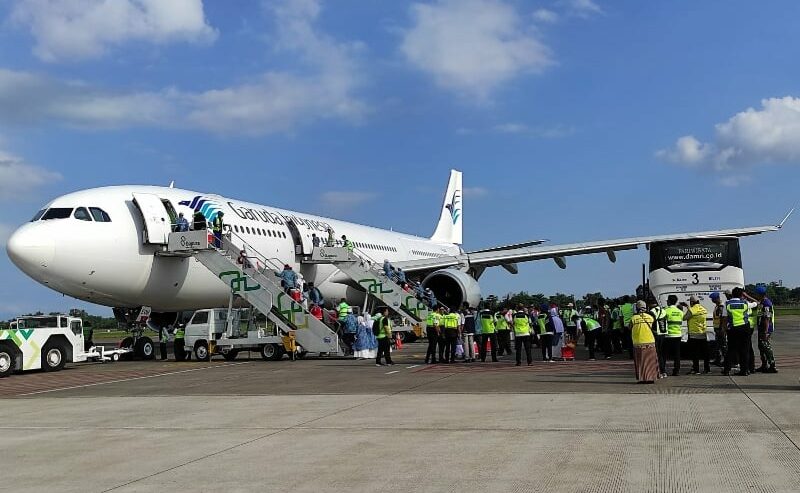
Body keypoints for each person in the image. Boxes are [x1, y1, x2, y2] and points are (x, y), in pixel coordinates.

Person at [723, 287, 758, 376]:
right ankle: (744, 370)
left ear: (732, 294)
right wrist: (747, 296)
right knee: (745, 350)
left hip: (733, 328)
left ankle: (726, 370)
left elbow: (724, 319)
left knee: (731, 349)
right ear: (741, 295)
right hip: (744, 328)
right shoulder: (745, 303)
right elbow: (757, 303)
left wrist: (725, 329)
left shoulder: (727, 304)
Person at [631, 300, 658, 384]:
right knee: (650, 361)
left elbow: (629, 327)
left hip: (638, 342)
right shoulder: (650, 317)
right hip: (650, 341)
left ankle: (642, 378)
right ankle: (651, 378)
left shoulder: (634, 318)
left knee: (641, 362)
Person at [753, 285, 778, 373]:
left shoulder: (767, 304)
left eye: (756, 294)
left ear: (760, 294)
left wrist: (766, 332)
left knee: (766, 346)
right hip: (762, 327)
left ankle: (772, 365)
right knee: (761, 347)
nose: (755, 295)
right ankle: (764, 365)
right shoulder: (762, 302)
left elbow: (767, 318)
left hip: (765, 328)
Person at [683, 296, 710, 374]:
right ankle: (707, 369)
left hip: (694, 334)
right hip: (703, 333)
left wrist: (685, 308)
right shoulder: (703, 309)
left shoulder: (692, 310)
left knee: (695, 353)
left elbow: (684, 317)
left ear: (691, 302)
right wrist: (688, 307)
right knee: (705, 353)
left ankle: (696, 369)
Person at [663, 295, 684, 376]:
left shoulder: (665, 310)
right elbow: (683, 318)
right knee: (677, 354)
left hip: (667, 335)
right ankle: (676, 370)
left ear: (668, 301)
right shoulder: (679, 311)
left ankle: (663, 370)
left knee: (664, 354)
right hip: (678, 335)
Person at [649, 300, 668, 378]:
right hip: (663, 333)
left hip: (656, 334)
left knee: (657, 354)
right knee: (662, 354)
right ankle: (664, 371)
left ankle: (659, 371)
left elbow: (651, 323)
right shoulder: (663, 310)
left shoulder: (651, 312)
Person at [709, 292, 726, 367]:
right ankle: (718, 360)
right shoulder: (717, 306)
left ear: (717, 299)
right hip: (717, 328)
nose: (712, 300)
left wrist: (721, 328)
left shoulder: (721, 307)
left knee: (722, 345)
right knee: (718, 345)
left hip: (720, 329)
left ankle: (725, 360)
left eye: (713, 299)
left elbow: (722, 318)